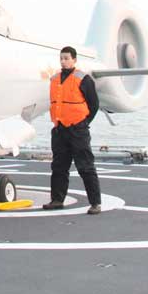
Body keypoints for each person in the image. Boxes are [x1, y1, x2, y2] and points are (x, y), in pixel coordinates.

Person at [42, 46, 102, 215]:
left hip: (78, 130)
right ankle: (57, 200)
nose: (63, 61)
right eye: (61, 58)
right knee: (59, 167)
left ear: (74, 60)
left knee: (86, 166)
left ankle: (95, 203)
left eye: (67, 58)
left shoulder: (83, 79)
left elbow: (94, 104)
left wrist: (83, 123)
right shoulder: (54, 79)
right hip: (59, 130)